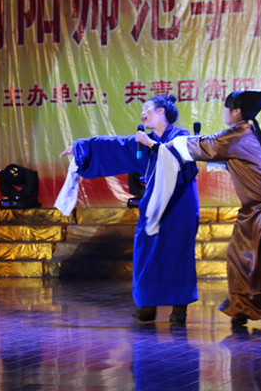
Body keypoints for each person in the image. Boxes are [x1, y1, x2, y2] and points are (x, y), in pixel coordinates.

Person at [168, 90, 261, 331]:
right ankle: (242, 307)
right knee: (239, 257)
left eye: (228, 108)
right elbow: (216, 149)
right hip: (253, 209)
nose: (225, 112)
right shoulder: (241, 134)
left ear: (236, 111)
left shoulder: (240, 134)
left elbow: (210, 146)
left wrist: (179, 142)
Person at [59, 95, 200, 325]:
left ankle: (179, 307)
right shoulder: (143, 141)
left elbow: (178, 158)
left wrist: (151, 144)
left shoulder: (181, 135)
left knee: (178, 254)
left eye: (147, 108)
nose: (143, 113)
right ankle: (147, 305)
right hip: (153, 206)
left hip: (179, 205)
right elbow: (114, 145)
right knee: (146, 251)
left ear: (161, 111)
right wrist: (80, 147)